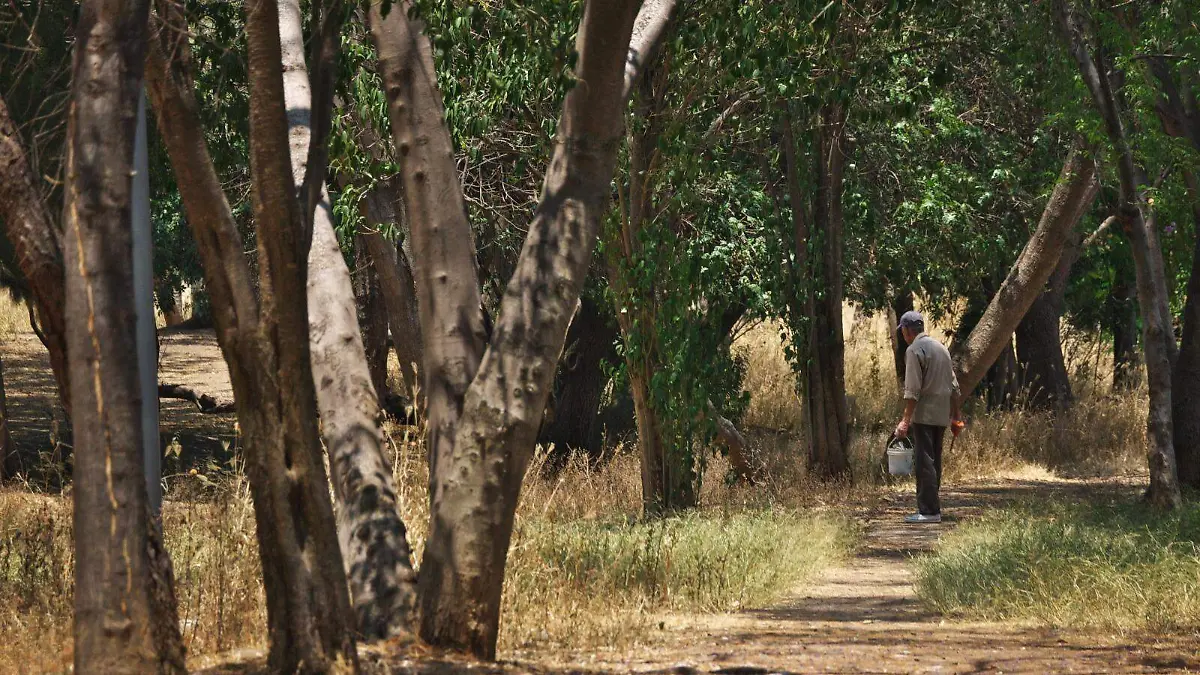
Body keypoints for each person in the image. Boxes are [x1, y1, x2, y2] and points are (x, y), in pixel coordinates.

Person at [894, 310, 962, 524]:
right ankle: (933, 507)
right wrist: (956, 415)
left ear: (906, 331)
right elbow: (954, 386)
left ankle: (929, 511)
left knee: (925, 462)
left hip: (924, 414)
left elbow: (912, 390)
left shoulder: (914, 350)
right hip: (942, 413)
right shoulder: (941, 348)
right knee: (934, 461)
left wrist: (905, 420)